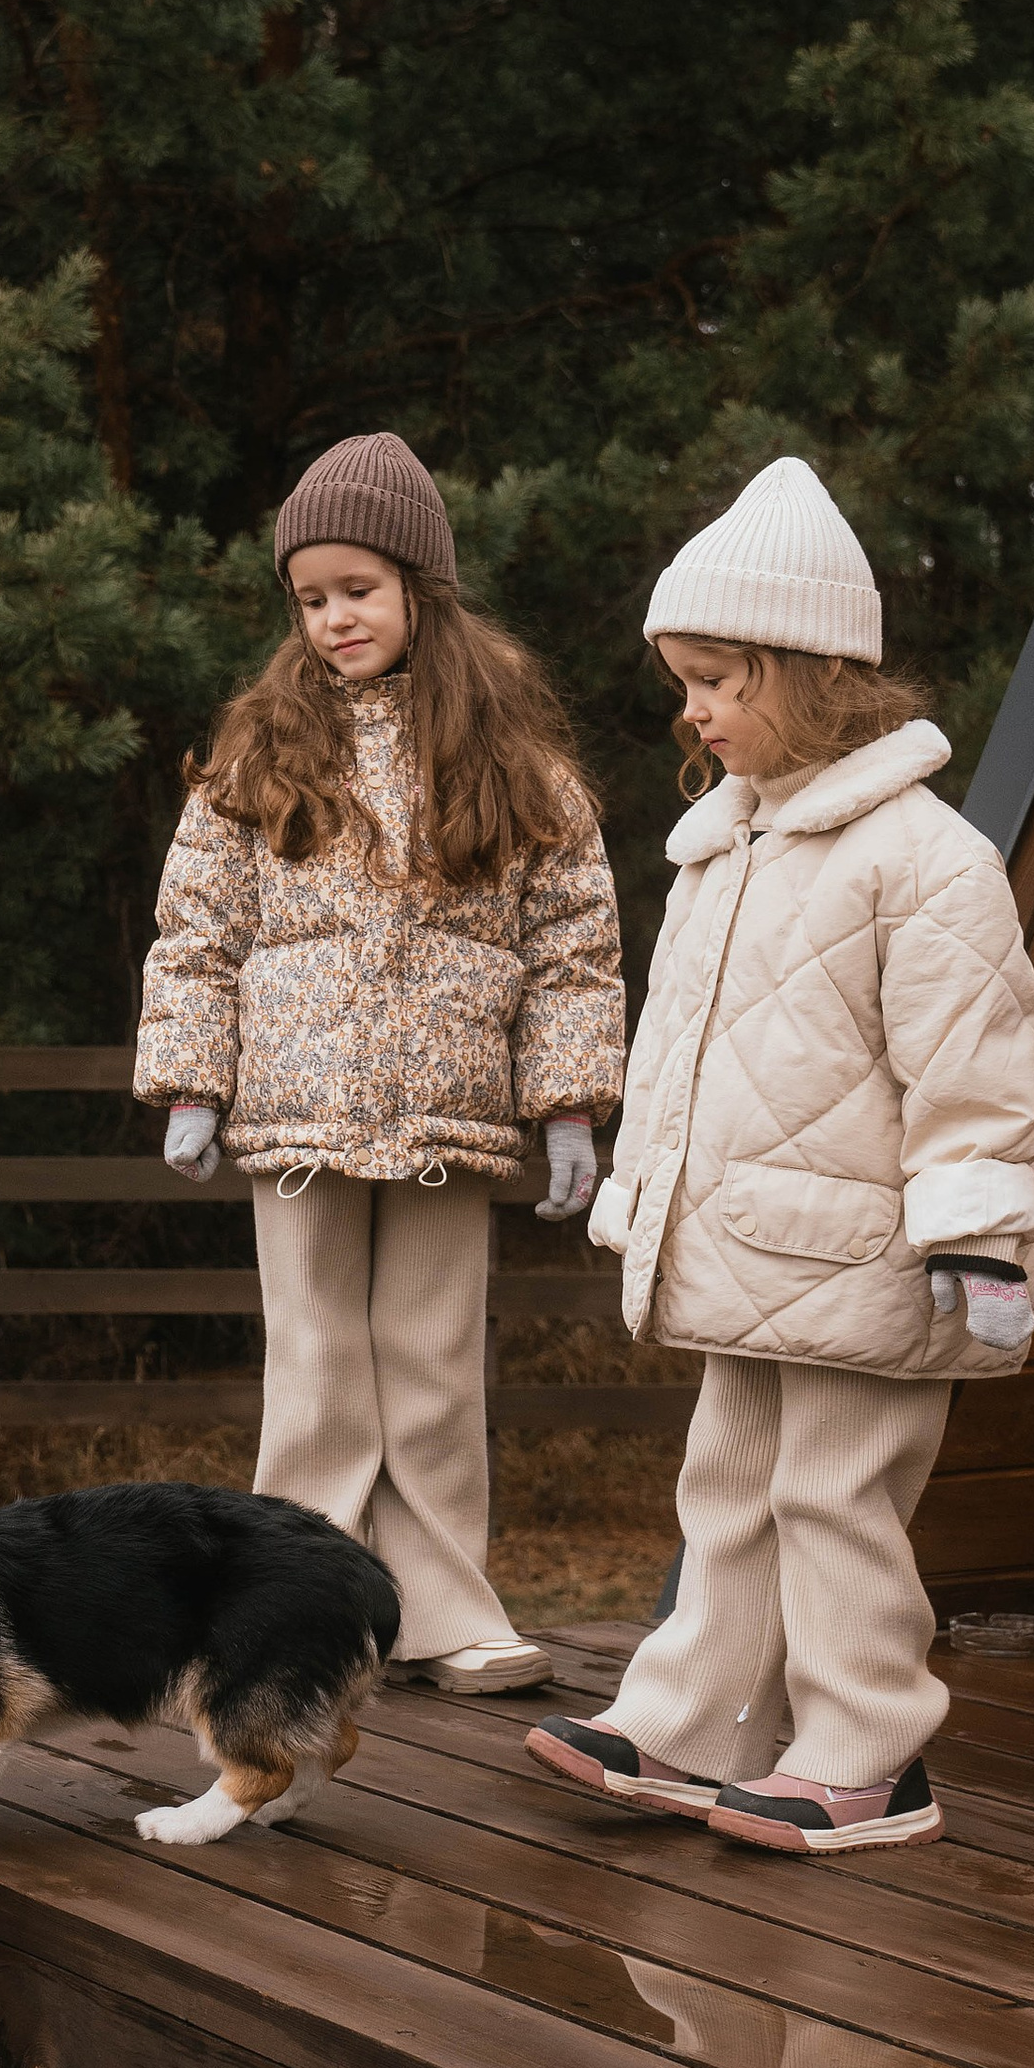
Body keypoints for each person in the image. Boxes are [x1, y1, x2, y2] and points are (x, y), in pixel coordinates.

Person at [527, 456, 1034, 1853]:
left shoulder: (926, 861)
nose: (691, 711)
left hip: (873, 1261)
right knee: (729, 1485)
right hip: (751, 1245)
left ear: (816, 674)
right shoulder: (722, 850)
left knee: (838, 1502)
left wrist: (983, 1236)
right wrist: (646, 1199)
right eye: (684, 682)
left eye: (718, 680)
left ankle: (870, 1754)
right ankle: (698, 1723)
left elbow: (980, 1063)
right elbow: (683, 1056)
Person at [134, 430, 626, 1693]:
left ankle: (439, 1609)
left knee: (431, 1360)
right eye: (310, 598)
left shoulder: (517, 766)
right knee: (313, 1368)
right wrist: (194, 1083)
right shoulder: (257, 759)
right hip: (294, 1121)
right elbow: (197, 932)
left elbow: (571, 944)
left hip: (447, 1118)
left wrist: (566, 1103)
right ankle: (285, 1612)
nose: (334, 618)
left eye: (357, 588)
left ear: (422, 587)